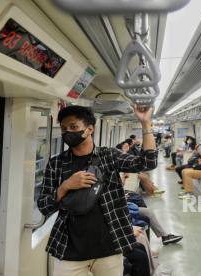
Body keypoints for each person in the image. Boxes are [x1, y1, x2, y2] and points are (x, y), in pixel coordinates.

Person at [37, 105, 157, 276]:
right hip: (69, 249)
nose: (67, 132)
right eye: (64, 128)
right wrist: (65, 186)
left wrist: (146, 123)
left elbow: (148, 163)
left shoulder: (108, 156)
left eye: (73, 127)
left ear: (90, 129)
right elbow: (44, 206)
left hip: (108, 246)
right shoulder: (56, 164)